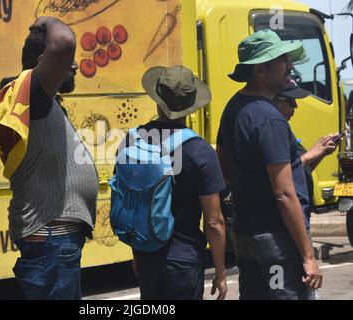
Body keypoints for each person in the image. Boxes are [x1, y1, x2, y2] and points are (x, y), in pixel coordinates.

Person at [0, 17, 98, 300]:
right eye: (66, 60)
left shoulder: (36, 100)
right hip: (51, 239)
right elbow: (64, 41)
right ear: (42, 61)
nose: (73, 65)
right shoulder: (33, 95)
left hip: (54, 240)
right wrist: (48, 20)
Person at [216, 29, 323, 300]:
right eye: (283, 59)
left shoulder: (233, 108)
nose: (290, 65)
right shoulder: (269, 118)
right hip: (276, 240)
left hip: (246, 236)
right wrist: (309, 257)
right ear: (261, 71)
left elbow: (223, 168)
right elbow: (284, 194)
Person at [125, 65, 227, 300]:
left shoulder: (134, 141)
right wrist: (220, 273)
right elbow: (214, 221)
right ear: (191, 107)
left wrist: (137, 254)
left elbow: (133, 204)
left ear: (157, 101)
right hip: (184, 258)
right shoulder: (199, 151)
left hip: (146, 253)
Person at [272, 80, 340, 220]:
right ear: (277, 101)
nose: (296, 106)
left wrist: (321, 153)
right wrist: (310, 154)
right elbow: (282, 176)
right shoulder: (273, 132)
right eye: (291, 102)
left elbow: (301, 171)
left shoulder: (285, 130)